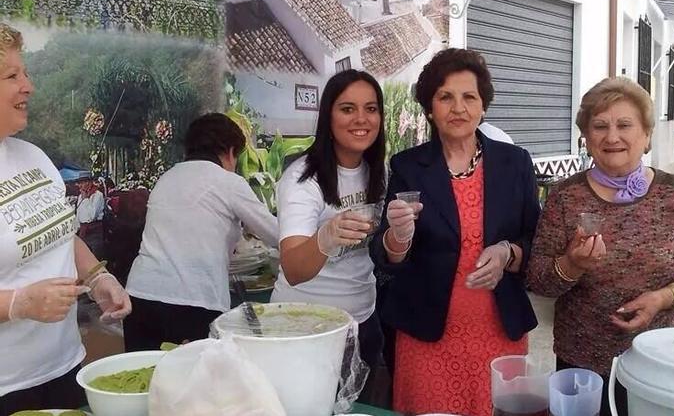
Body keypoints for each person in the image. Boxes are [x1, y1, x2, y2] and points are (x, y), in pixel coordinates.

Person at [526, 77, 674, 416]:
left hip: (665, 359)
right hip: (585, 365)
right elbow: (538, 279)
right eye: (600, 126)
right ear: (587, 138)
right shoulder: (565, 196)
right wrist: (571, 265)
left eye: (624, 125)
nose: (612, 136)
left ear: (646, 136)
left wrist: (665, 297)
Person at [370, 48, 540, 416]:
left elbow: (536, 241)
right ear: (430, 108)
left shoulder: (515, 163)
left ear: (484, 106)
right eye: (445, 97)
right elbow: (386, 256)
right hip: (427, 331)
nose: (458, 107)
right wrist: (399, 235)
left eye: (469, 97)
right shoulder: (409, 166)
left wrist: (509, 253)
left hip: (497, 330)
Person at [0, 22, 131, 413]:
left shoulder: (33, 157)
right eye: (11, 76)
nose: (29, 86)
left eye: (24, 72)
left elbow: (61, 234)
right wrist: (17, 304)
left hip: (64, 366)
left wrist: (97, 278)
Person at [271, 69, 387, 390]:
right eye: (347, 109)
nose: (361, 118)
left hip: (363, 320)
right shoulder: (302, 180)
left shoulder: (379, 173)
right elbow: (293, 268)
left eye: (371, 108)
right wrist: (326, 237)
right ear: (328, 117)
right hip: (305, 328)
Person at [124, 113, 278, 351]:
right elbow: (277, 235)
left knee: (144, 381)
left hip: (140, 296)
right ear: (229, 151)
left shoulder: (167, 178)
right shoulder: (227, 182)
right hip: (193, 302)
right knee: (196, 383)